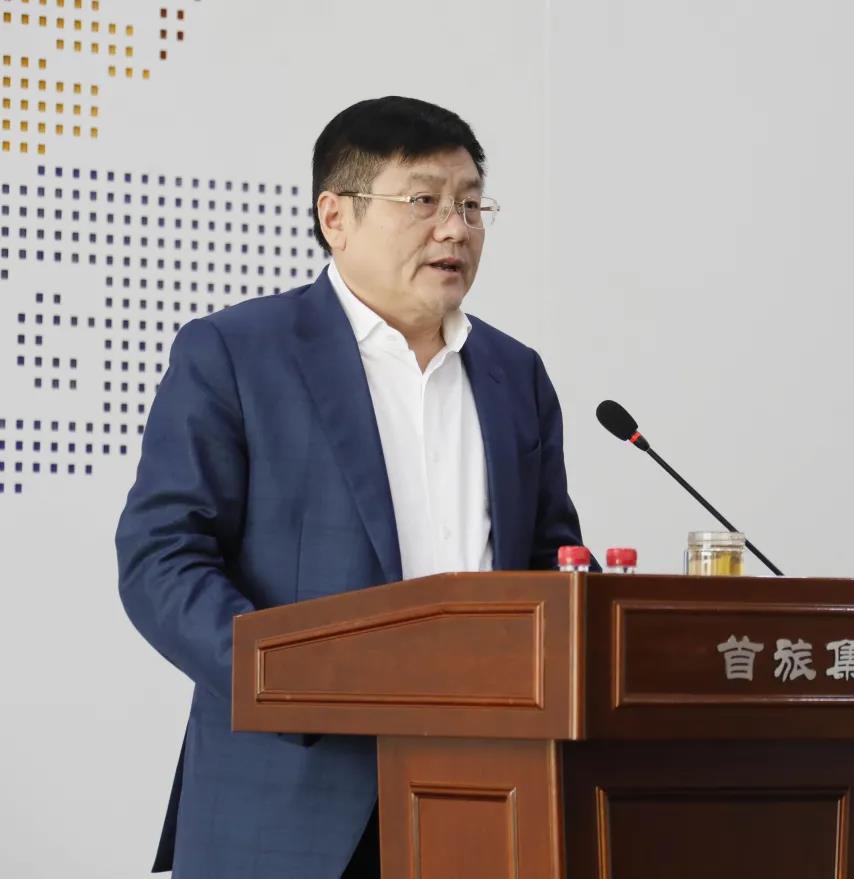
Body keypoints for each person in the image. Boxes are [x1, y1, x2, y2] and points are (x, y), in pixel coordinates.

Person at [116, 96, 590, 878]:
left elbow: (551, 560)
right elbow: (161, 559)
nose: (456, 229)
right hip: (292, 802)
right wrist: (286, 675)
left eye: (472, 205)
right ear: (335, 216)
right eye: (424, 201)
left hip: (489, 797)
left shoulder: (516, 375)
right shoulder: (237, 353)